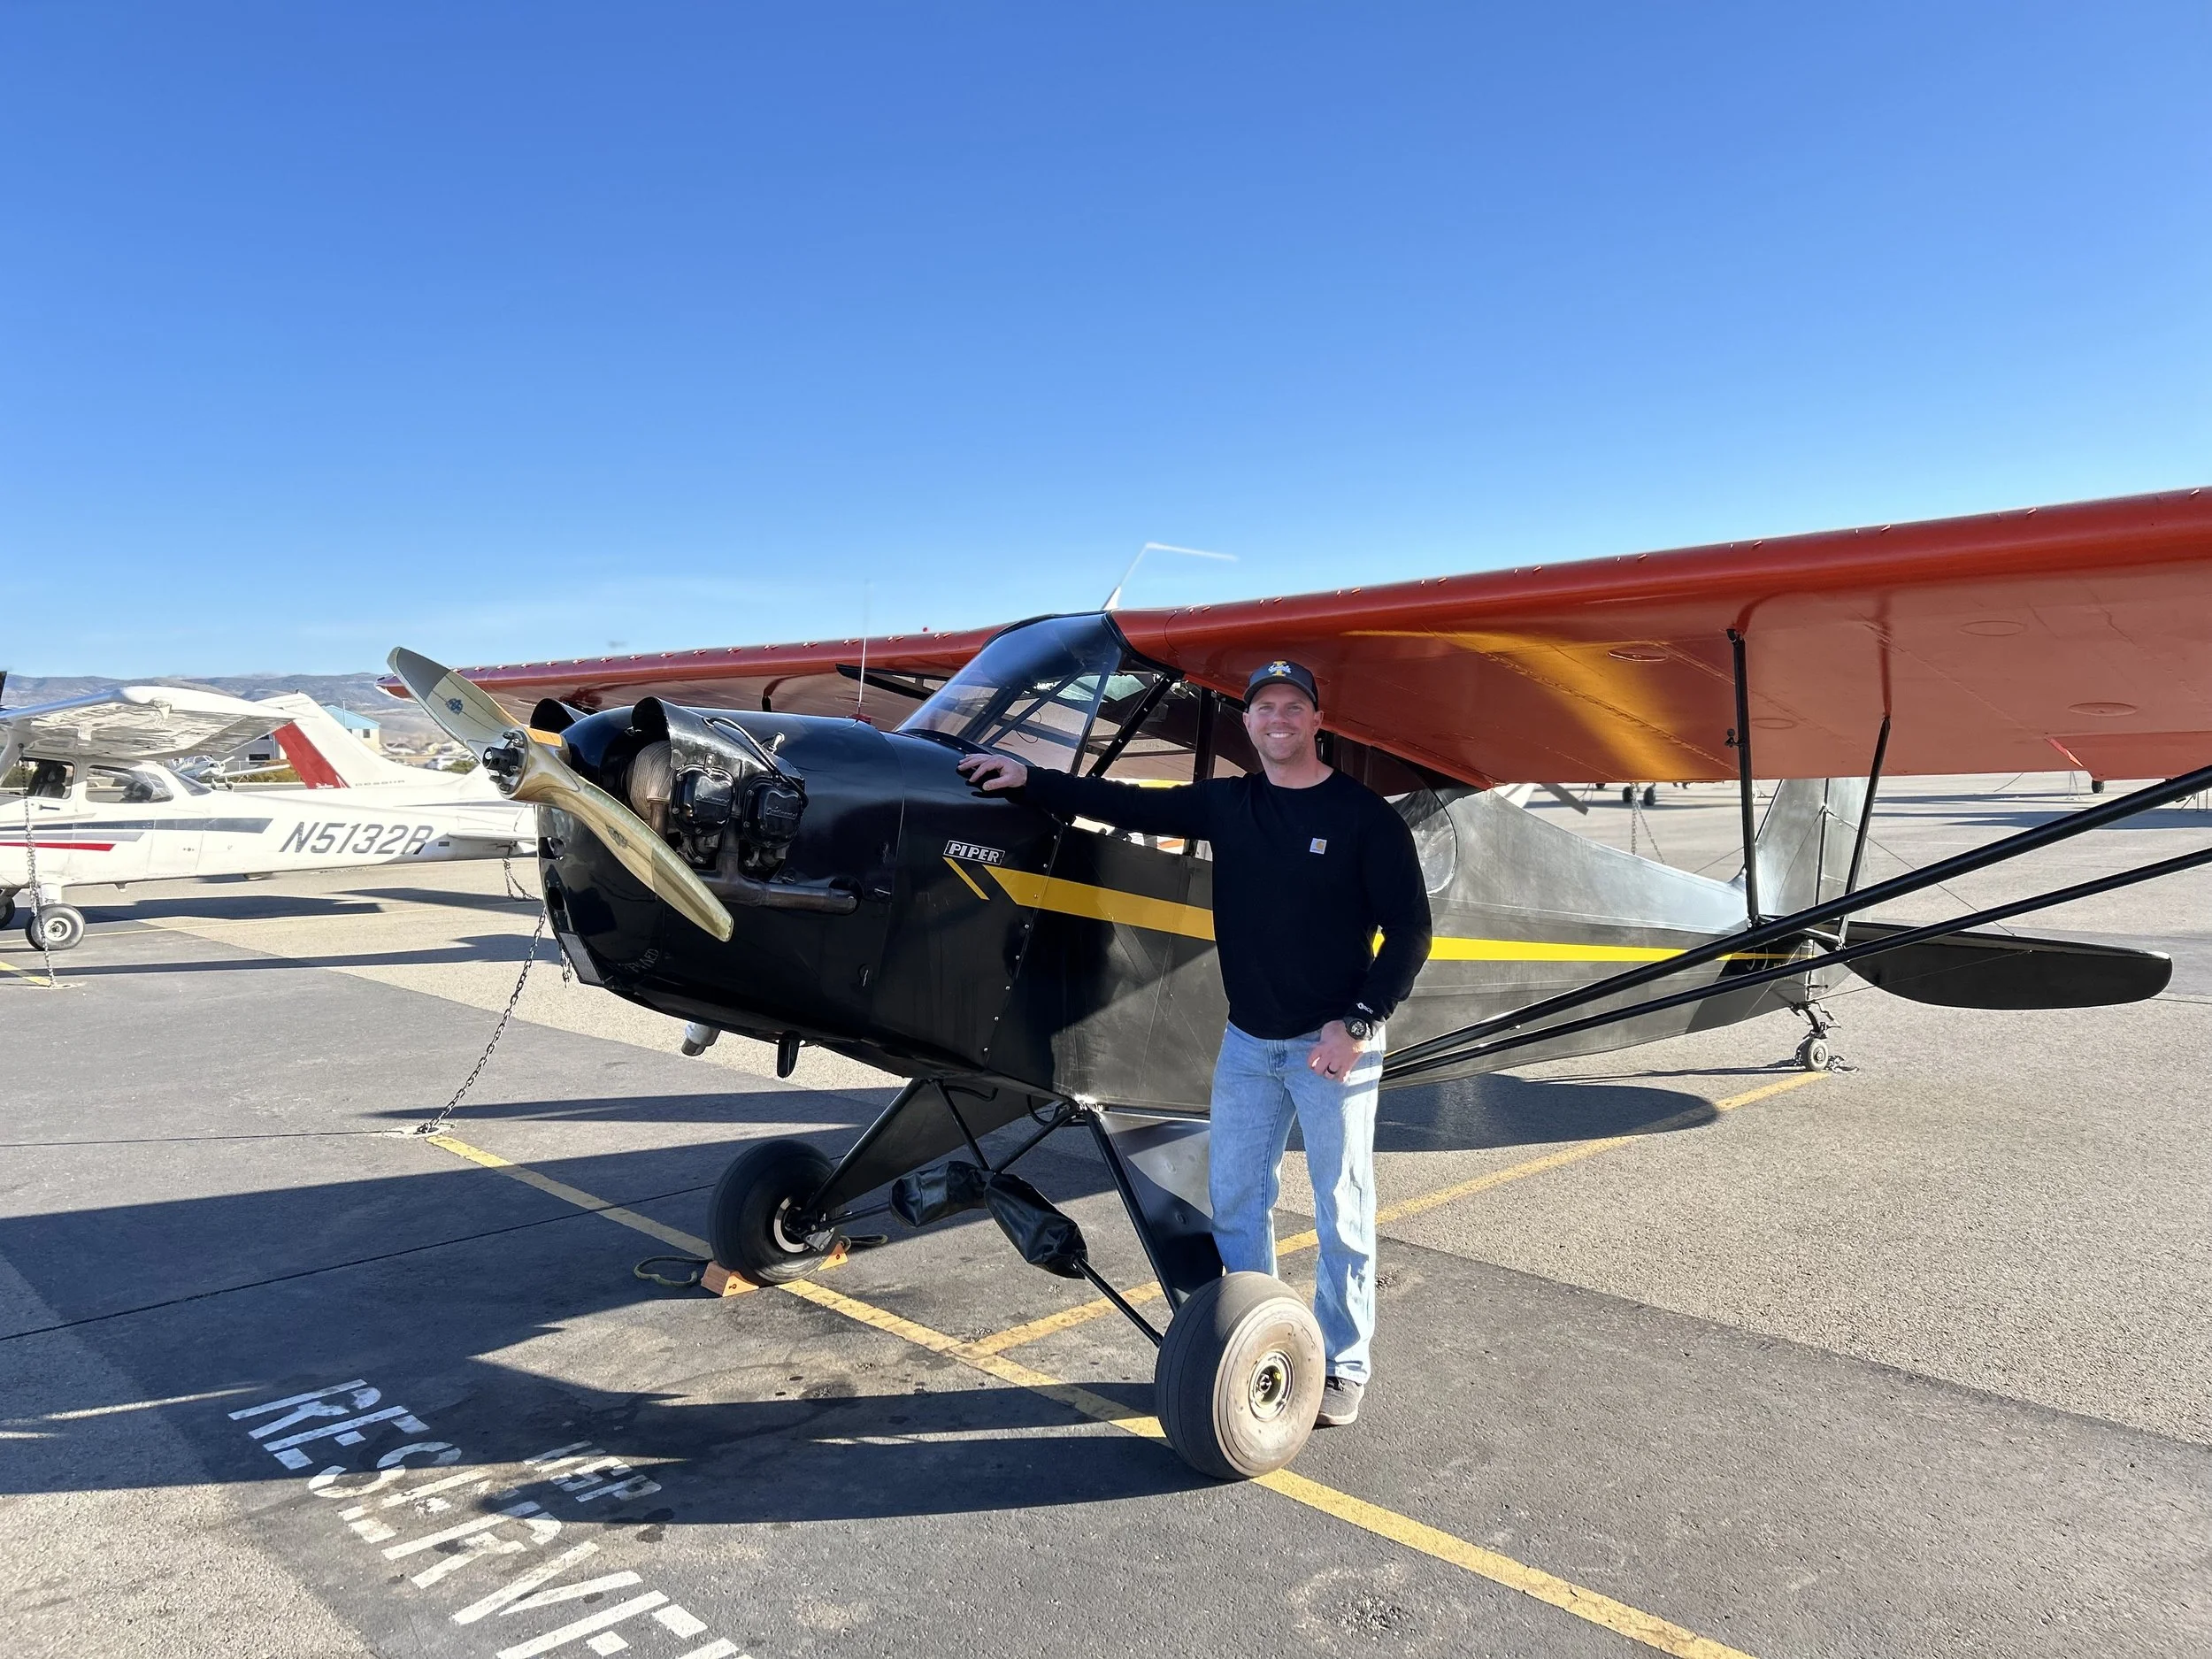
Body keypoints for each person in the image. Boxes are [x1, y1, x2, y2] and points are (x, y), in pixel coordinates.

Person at [956, 658, 1432, 1427]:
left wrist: (1360, 1020)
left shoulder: (1362, 817)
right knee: (1238, 1201)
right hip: (1249, 1043)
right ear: (1248, 725)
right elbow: (1119, 800)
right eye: (1262, 707)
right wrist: (1029, 778)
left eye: (1292, 706)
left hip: (1333, 1044)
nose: (1277, 718)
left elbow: (1411, 929)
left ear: (1317, 721)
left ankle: (1344, 1363)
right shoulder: (1229, 805)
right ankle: (1260, 1334)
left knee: (1342, 1208)